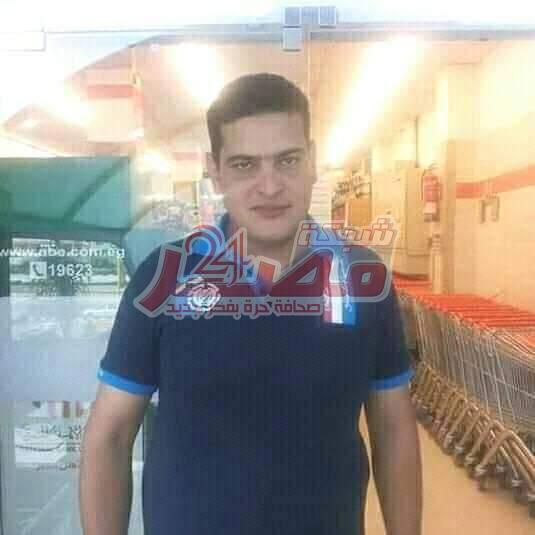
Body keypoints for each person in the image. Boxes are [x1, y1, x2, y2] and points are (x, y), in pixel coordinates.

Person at [79, 73, 422, 535]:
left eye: (287, 160)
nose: (270, 186)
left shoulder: (364, 280)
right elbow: (111, 434)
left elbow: (393, 428)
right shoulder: (165, 278)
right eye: (244, 165)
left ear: (312, 160)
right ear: (215, 171)